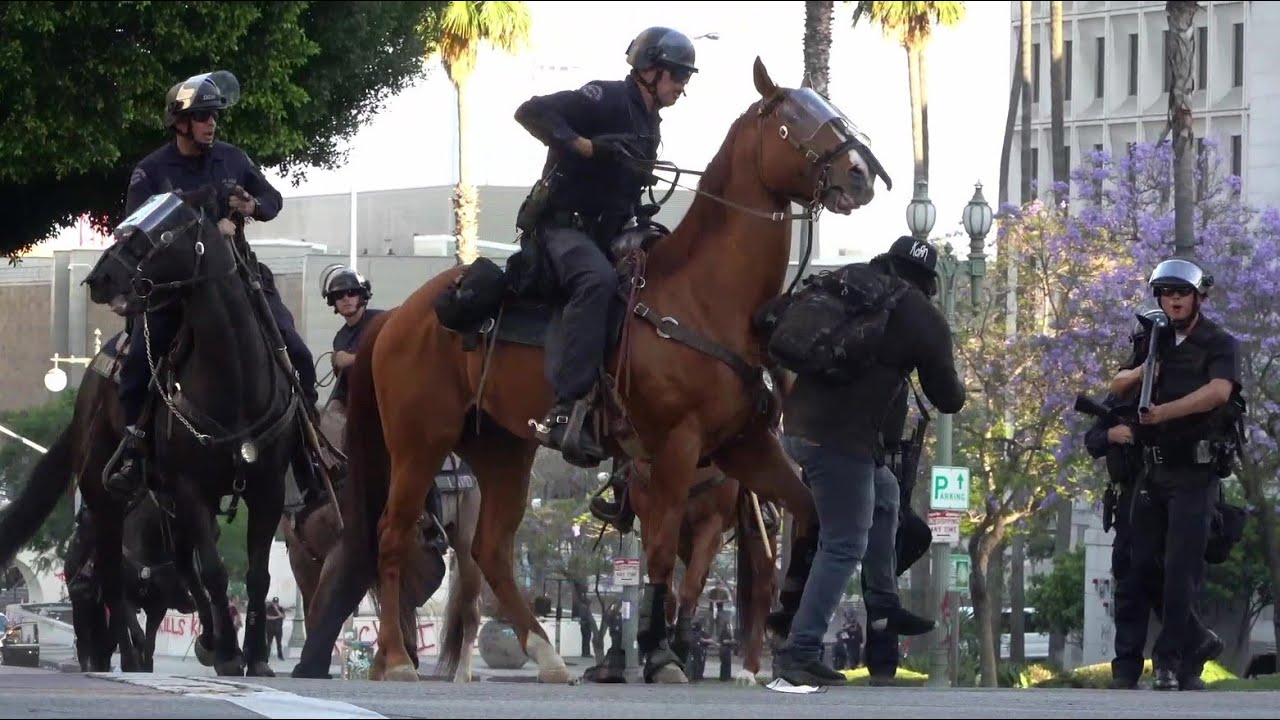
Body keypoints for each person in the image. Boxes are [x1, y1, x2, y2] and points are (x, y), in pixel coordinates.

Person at [108, 70, 321, 503]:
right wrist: (207, 224)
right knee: (137, 364)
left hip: (238, 277)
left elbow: (272, 200)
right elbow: (133, 230)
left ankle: (307, 452)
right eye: (203, 116)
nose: (212, 124)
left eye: (214, 116)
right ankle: (135, 449)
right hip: (174, 287)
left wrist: (252, 205)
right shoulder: (150, 171)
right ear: (180, 122)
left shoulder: (233, 158)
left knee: (295, 350)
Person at [774, 236, 966, 687]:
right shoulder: (921, 315)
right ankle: (799, 652)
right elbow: (948, 398)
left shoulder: (848, 283)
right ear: (927, 282)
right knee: (843, 544)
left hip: (800, 425)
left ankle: (882, 603)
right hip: (842, 443)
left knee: (887, 495)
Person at [514, 26, 698, 468]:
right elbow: (530, 111)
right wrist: (582, 146)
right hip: (561, 230)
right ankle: (565, 407)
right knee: (596, 280)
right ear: (650, 70)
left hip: (607, 233)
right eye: (677, 77)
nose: (682, 88)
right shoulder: (607, 97)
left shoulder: (650, 122)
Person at [1108, 257, 1242, 691]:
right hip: (1154, 472)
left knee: (1181, 570)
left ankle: (1169, 662)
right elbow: (1117, 384)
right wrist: (1145, 371)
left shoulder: (1218, 342)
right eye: (1167, 293)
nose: (1174, 300)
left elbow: (1219, 392)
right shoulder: (1155, 339)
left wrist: (1165, 411)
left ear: (1198, 297)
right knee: (1142, 564)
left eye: (1181, 293)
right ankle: (1199, 639)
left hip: (1195, 472)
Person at [1083, 391, 1223, 690]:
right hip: (1133, 500)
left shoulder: (1185, 391)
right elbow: (1092, 441)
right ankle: (1127, 668)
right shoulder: (1125, 396)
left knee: (1178, 582)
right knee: (1131, 582)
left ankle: (1182, 665)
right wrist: (1113, 434)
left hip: (1177, 499)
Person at [322, 265, 384, 409]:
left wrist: (350, 359)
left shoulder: (381, 321)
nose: (346, 299)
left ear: (362, 296)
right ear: (333, 302)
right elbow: (343, 386)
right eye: (339, 295)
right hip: (359, 411)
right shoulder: (340, 339)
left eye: (351, 293)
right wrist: (335, 403)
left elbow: (395, 357)